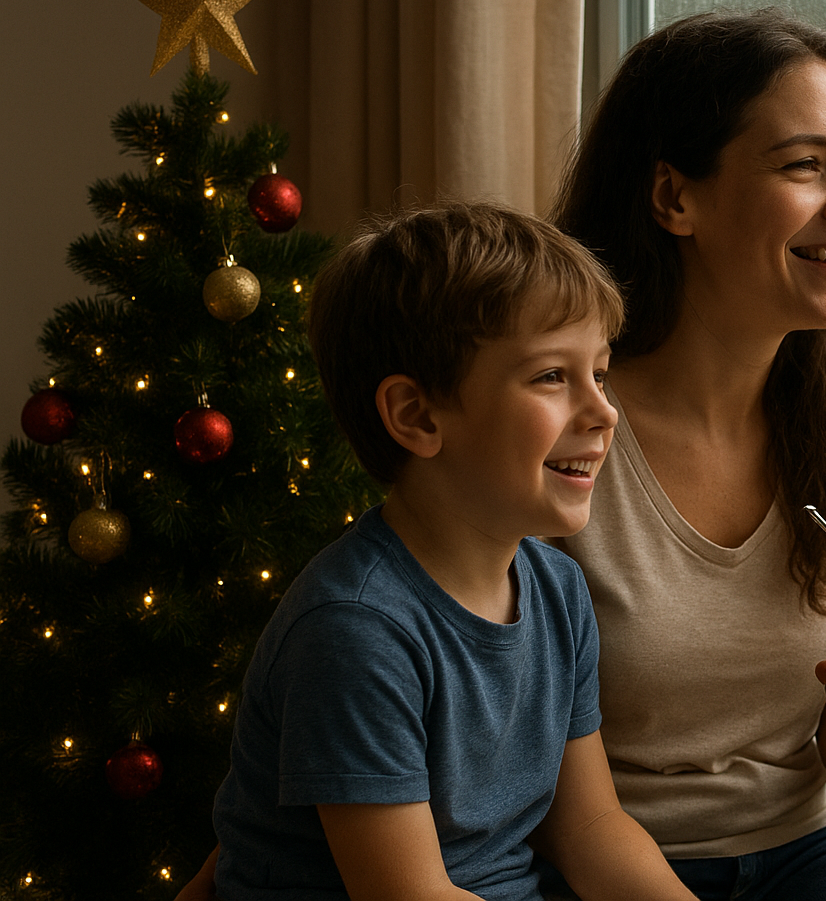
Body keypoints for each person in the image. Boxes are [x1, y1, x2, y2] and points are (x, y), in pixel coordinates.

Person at [545, 8, 826, 900]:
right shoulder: (559, 422)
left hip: (803, 850)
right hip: (579, 864)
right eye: (803, 166)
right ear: (674, 198)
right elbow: (539, 790)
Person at [202, 203, 697, 901]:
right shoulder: (356, 631)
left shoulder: (557, 590)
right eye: (552, 376)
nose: (603, 410)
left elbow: (591, 830)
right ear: (417, 416)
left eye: (600, 372)